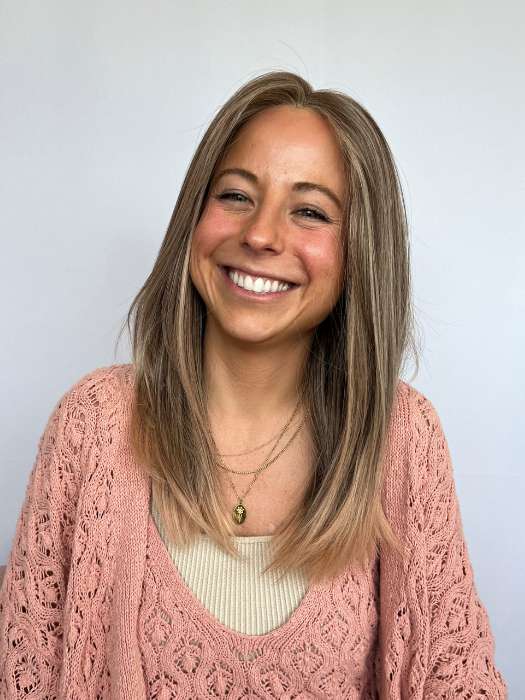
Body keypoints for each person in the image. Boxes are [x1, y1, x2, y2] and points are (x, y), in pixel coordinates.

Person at [0, 71, 507, 698]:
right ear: (194, 216)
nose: (261, 235)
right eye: (236, 196)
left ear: (361, 251)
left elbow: (453, 678)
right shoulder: (94, 422)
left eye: (310, 211)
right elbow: (26, 674)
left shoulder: (402, 436)